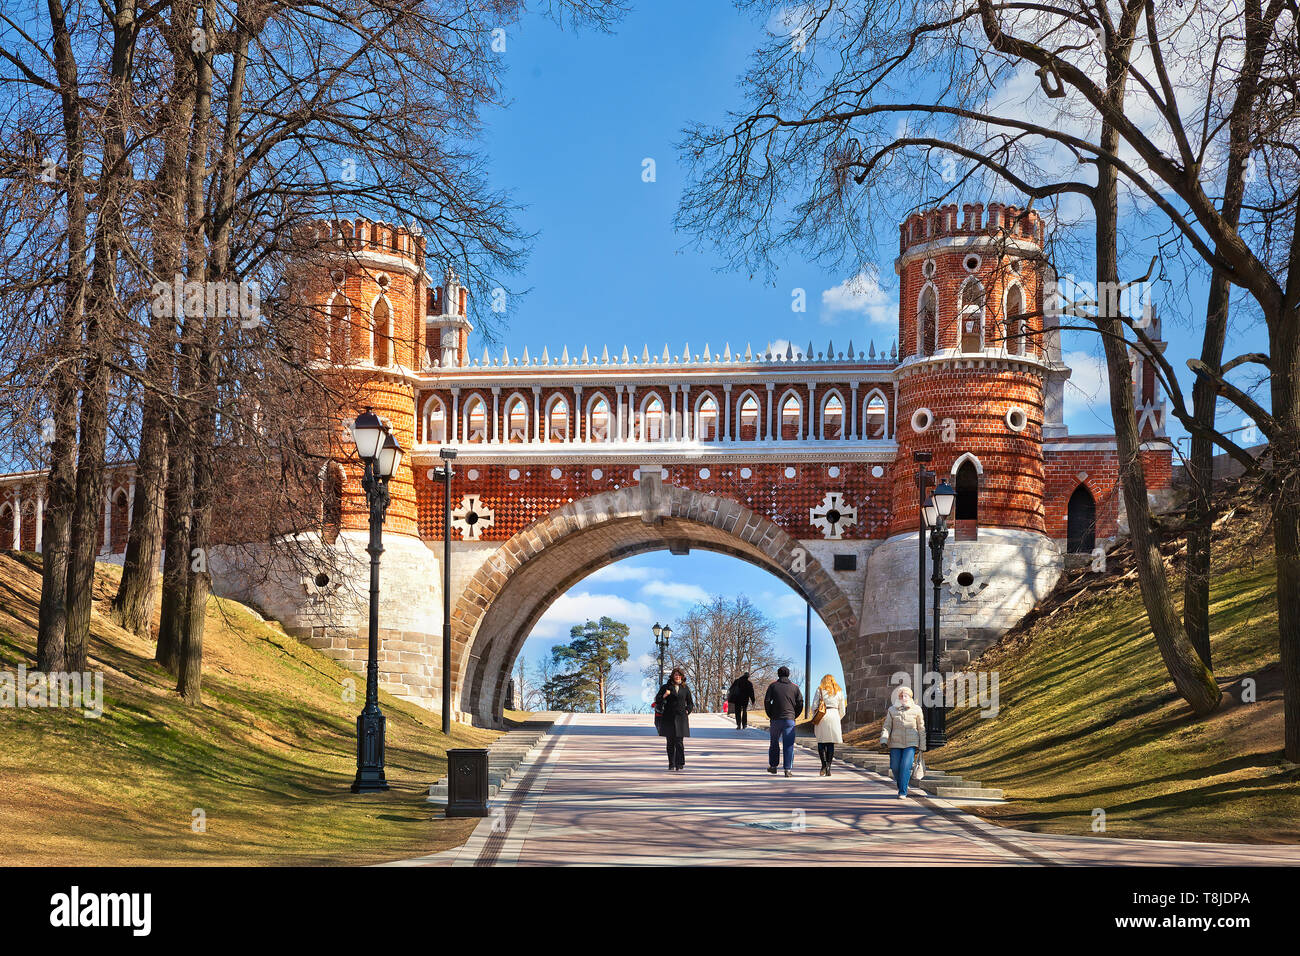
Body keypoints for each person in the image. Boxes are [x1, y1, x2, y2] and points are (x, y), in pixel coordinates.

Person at [880, 685, 927, 798]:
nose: (903, 697)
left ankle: (902, 791)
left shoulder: (917, 709)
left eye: (905, 695)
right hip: (896, 742)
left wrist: (922, 745)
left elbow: (921, 728)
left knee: (906, 766)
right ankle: (902, 784)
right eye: (901, 695)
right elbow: (887, 726)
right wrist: (884, 739)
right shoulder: (892, 710)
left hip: (911, 742)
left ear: (910, 697)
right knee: (895, 767)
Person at [764, 665, 804, 777]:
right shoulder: (795, 687)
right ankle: (787, 770)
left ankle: (773, 766)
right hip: (789, 720)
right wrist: (794, 715)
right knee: (789, 745)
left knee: (774, 743)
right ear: (788, 674)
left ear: (778, 674)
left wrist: (770, 714)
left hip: (776, 719)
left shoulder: (773, 686)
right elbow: (800, 702)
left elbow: (767, 701)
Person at [653, 667, 693, 771]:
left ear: (682, 677)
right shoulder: (666, 687)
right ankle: (671, 763)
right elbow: (657, 699)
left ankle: (680, 763)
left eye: (679, 675)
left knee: (679, 742)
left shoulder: (685, 688)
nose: (677, 676)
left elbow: (690, 703)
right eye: (675, 675)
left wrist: (688, 710)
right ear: (672, 676)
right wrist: (665, 695)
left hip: (681, 718)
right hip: (668, 718)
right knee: (670, 742)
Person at [810, 674, 847, 776]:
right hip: (834, 715)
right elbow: (843, 710)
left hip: (822, 716)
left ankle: (823, 765)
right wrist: (837, 717)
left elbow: (814, 706)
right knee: (830, 743)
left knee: (821, 742)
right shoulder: (839, 691)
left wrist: (815, 715)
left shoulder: (820, 689)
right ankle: (829, 767)